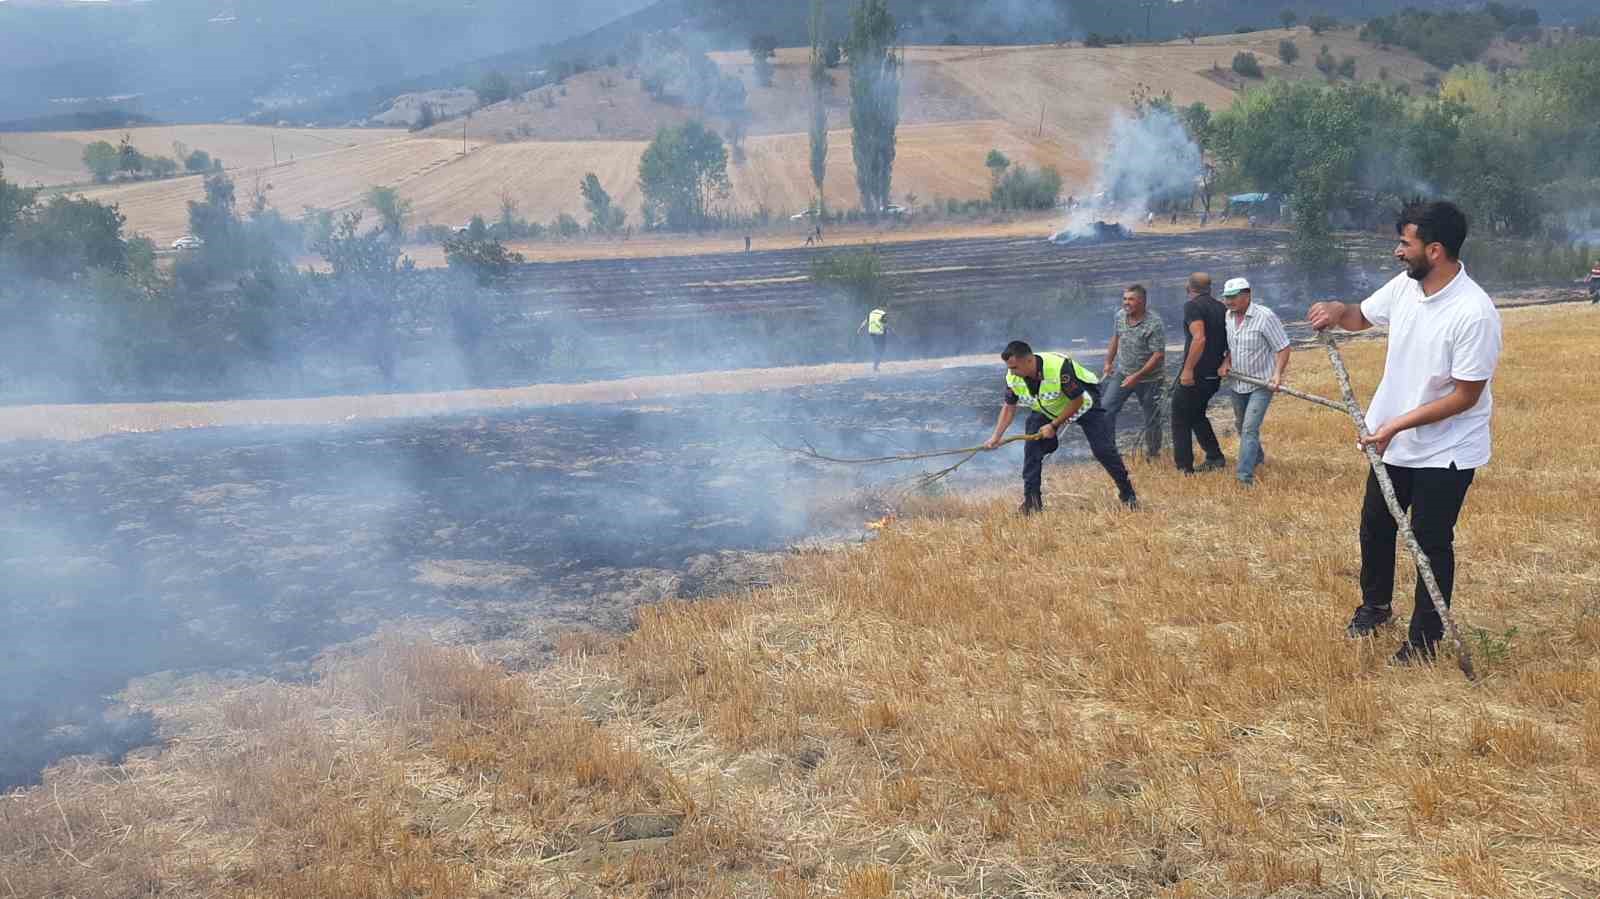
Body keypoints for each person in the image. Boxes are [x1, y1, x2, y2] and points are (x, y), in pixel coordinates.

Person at [1307, 200, 1502, 666]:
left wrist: (1396, 424)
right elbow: (1361, 316)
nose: (1397, 252)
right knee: (1376, 525)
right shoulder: (1406, 288)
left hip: (1447, 449)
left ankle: (1425, 638)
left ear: (1434, 250)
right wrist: (1337, 311)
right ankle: (1374, 607)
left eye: (1404, 243)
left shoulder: (1474, 313)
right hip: (1393, 441)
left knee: (1430, 541)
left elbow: (1465, 397)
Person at [983, 341, 1138, 513]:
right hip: (1048, 406)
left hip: (1084, 402)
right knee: (1032, 452)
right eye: (1009, 368)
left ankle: (1127, 493)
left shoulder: (1058, 368)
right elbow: (1009, 407)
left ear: (1029, 360)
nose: (1012, 372)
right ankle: (1032, 503)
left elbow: (1077, 400)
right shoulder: (1012, 377)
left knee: (1102, 449)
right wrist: (996, 437)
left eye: (1015, 367)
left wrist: (1054, 425)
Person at [1216, 277, 1290, 486]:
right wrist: (1226, 362)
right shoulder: (1228, 317)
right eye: (1226, 298)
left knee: (1249, 428)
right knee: (1241, 426)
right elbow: (1232, 346)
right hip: (1238, 382)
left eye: (1233, 297)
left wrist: (1276, 376)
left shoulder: (1265, 317)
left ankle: (1244, 478)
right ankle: (1257, 458)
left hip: (1261, 384)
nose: (1229, 302)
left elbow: (1283, 347)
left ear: (1247, 295)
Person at [1170, 272, 1229, 474]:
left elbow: (1199, 338)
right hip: (1213, 375)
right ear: (1210, 288)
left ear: (1189, 288)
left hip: (1196, 375)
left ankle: (1184, 467)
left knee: (1179, 418)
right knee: (1197, 415)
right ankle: (1215, 457)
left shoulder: (1192, 306)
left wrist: (1187, 370)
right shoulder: (1221, 307)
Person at [1100, 284, 1166, 460]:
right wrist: (1108, 362)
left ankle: (1153, 454)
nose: (1126, 303)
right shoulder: (1120, 316)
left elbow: (1158, 355)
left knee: (1151, 417)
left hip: (1150, 379)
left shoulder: (1154, 323)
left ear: (1142, 301)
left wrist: (1137, 377)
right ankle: (1110, 451)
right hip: (1123, 372)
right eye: (1124, 299)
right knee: (1106, 409)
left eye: (1131, 299)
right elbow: (1116, 338)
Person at [857, 307, 890, 372]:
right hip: (880, 333)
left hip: (871, 333)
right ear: (883, 307)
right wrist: (887, 331)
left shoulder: (871, 312)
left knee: (877, 348)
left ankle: (875, 363)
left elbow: (865, 321)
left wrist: (860, 328)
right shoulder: (883, 313)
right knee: (881, 350)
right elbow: (885, 324)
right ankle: (875, 366)